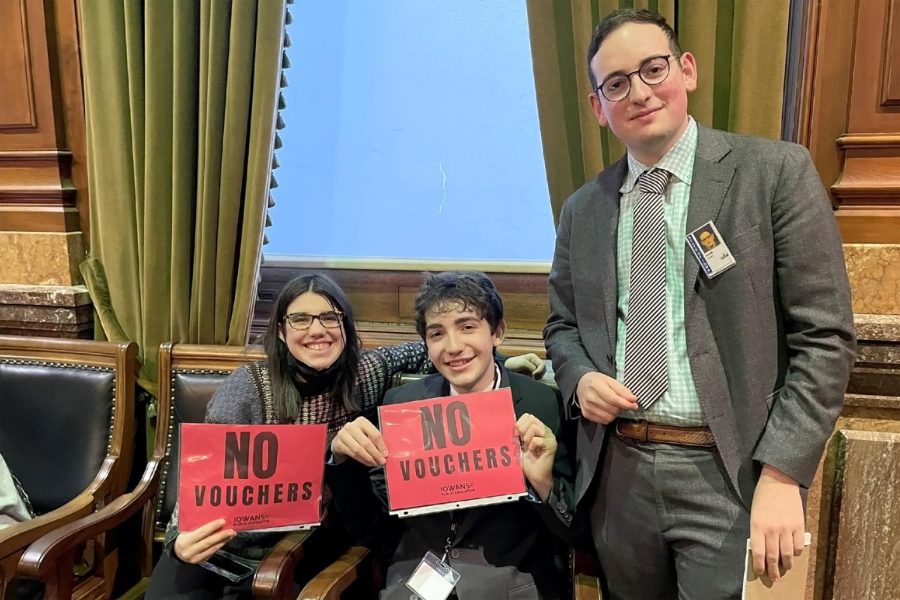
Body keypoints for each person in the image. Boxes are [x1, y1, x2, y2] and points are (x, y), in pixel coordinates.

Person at [543, 9, 856, 600]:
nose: (638, 92)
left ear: (686, 70)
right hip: (620, 477)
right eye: (616, 84)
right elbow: (561, 326)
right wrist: (580, 378)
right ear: (597, 108)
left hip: (733, 477)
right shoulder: (583, 210)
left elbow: (825, 338)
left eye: (652, 69)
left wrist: (784, 472)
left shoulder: (773, 174)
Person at [145, 273, 543, 599]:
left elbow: (440, 349)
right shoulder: (248, 389)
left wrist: (506, 364)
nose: (316, 330)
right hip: (219, 547)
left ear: (345, 327)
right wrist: (181, 542)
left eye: (329, 317)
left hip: (305, 544)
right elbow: (201, 481)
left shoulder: (365, 375)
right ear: (282, 332)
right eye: (300, 319)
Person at [348, 271, 574, 600]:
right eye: (437, 333)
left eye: (468, 327)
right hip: (416, 581)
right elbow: (378, 515)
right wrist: (344, 460)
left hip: (510, 582)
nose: (454, 347)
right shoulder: (403, 405)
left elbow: (574, 527)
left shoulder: (542, 403)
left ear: (497, 332)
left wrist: (543, 483)